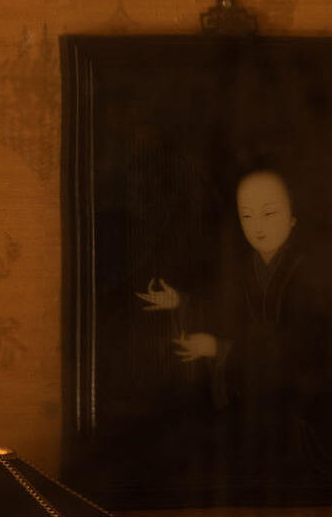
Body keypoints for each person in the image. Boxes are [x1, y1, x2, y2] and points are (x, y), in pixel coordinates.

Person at [138, 167, 330, 499]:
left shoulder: (311, 274)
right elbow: (223, 314)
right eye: (247, 216)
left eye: (269, 213)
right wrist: (180, 302)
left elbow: (298, 347)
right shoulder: (246, 271)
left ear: (293, 218)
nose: (257, 226)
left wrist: (220, 349)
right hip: (258, 399)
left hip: (303, 409)